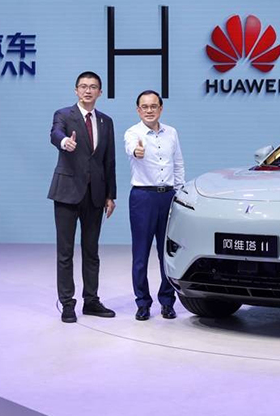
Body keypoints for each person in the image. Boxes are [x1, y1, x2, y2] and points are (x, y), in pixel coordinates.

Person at [48, 71, 117, 323]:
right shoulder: (64, 115)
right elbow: (55, 134)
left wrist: (110, 195)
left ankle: (91, 301)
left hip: (95, 195)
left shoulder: (106, 121)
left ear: (100, 92)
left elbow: (109, 160)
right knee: (65, 252)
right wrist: (64, 142)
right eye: (84, 86)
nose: (88, 90)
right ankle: (67, 303)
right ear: (76, 90)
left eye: (93, 87)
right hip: (67, 192)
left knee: (91, 251)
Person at [123, 90, 185, 321]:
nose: (149, 110)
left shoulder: (172, 133)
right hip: (143, 197)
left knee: (166, 253)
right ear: (138, 110)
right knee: (140, 253)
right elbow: (132, 148)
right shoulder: (133, 133)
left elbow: (178, 164)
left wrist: (179, 193)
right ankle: (142, 303)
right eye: (144, 107)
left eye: (153, 106)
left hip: (168, 197)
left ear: (161, 108)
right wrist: (137, 151)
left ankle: (167, 301)